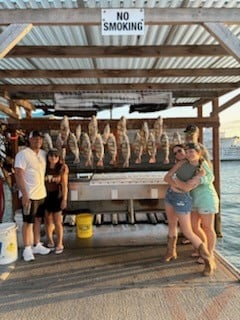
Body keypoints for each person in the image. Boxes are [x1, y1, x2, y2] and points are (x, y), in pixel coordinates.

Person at [162, 143, 214, 276]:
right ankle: (171, 252)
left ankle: (208, 260)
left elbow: (186, 188)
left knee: (188, 231)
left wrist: (175, 182)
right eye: (176, 153)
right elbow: (166, 177)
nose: (180, 154)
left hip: (182, 198)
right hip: (170, 195)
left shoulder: (200, 169)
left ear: (198, 152)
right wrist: (177, 183)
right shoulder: (181, 163)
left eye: (181, 151)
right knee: (172, 225)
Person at [14, 130, 51, 262]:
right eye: (35, 139)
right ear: (29, 140)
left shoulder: (43, 154)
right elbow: (18, 174)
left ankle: (37, 244)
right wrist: (24, 194)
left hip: (41, 194)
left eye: (40, 139)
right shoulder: (22, 154)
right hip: (29, 195)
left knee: (37, 220)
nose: (38, 141)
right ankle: (27, 248)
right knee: (27, 222)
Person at [188, 143, 219, 268]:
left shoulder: (202, 163)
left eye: (192, 152)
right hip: (193, 200)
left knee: (207, 227)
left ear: (198, 153)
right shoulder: (187, 165)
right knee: (194, 227)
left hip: (206, 199)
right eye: (187, 152)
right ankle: (202, 248)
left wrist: (199, 180)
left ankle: (209, 253)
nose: (189, 154)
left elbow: (211, 177)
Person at [44, 148, 69, 254]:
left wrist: (64, 199)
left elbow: (64, 185)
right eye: (51, 155)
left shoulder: (62, 168)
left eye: (55, 156)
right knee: (47, 220)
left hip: (57, 196)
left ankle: (59, 243)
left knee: (57, 221)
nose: (53, 158)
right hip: (45, 195)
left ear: (59, 158)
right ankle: (50, 241)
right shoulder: (43, 167)